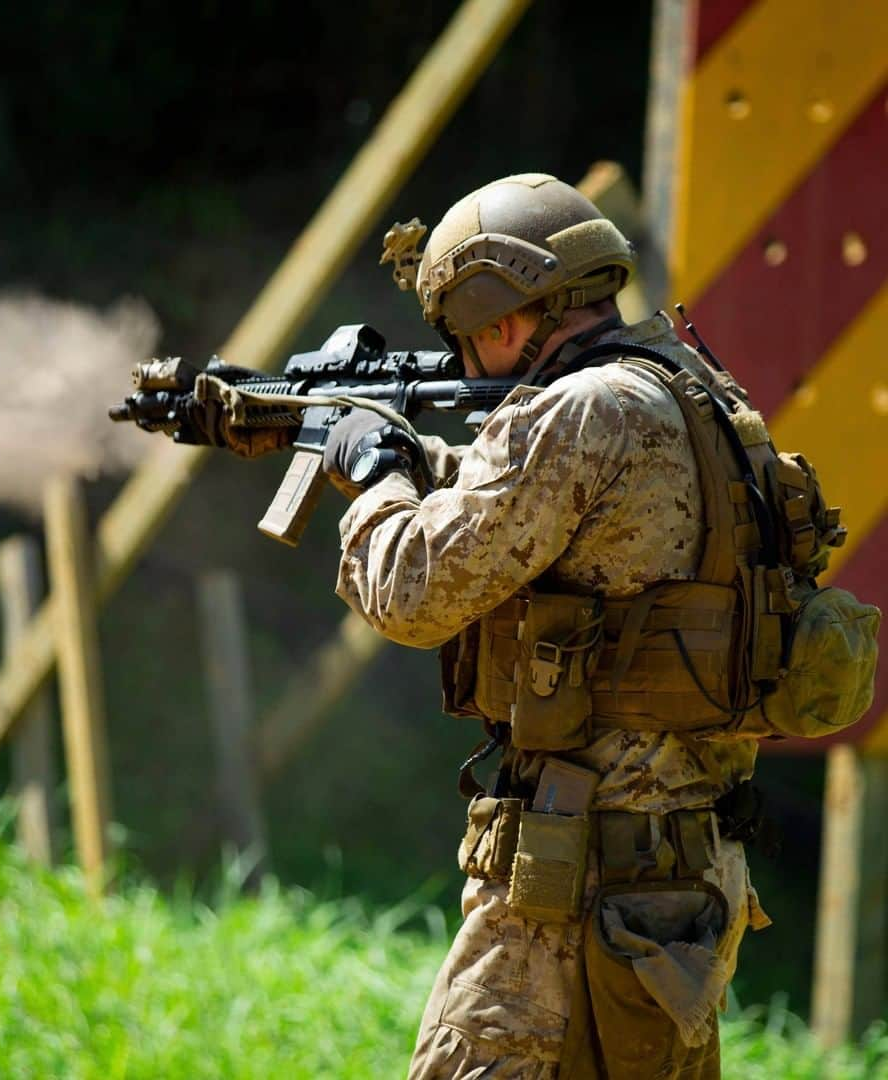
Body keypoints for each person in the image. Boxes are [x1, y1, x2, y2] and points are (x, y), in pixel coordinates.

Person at [319, 174, 774, 1080]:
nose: (471, 362)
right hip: (681, 882)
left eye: (466, 337)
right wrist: (426, 461)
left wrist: (375, 480)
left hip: (572, 895)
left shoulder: (583, 411)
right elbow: (555, 513)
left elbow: (411, 590)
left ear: (499, 317)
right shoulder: (696, 396)